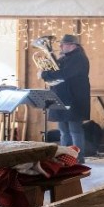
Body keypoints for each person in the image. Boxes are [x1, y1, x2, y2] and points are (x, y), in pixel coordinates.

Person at [41, 34, 91, 163]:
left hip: (74, 98)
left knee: (75, 130)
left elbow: (64, 74)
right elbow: (56, 73)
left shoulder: (79, 58)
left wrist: (45, 74)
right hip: (62, 96)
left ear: (72, 45)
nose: (60, 46)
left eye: (63, 44)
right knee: (63, 131)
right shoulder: (65, 58)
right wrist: (47, 73)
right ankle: (65, 156)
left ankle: (78, 157)